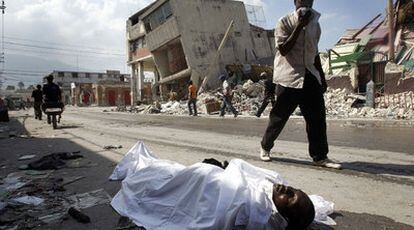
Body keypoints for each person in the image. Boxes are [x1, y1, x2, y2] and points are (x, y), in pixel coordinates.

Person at [110, 142, 322, 230]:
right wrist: (226, 168)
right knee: (168, 171)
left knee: (159, 183)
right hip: (200, 177)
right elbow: (242, 169)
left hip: (203, 185)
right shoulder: (274, 185)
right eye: (293, 190)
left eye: (290, 198)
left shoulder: (260, 212)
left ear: (284, 216)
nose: (286, 189)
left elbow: (222, 211)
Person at [259, 0, 341, 169]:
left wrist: (322, 78)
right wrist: (299, 26)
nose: (306, 2)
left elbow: (315, 53)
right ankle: (265, 147)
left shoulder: (315, 26)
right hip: (289, 76)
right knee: (279, 116)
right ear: (295, 2)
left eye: (309, 0)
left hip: (310, 75)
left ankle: (320, 156)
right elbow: (283, 49)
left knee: (317, 118)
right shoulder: (284, 22)